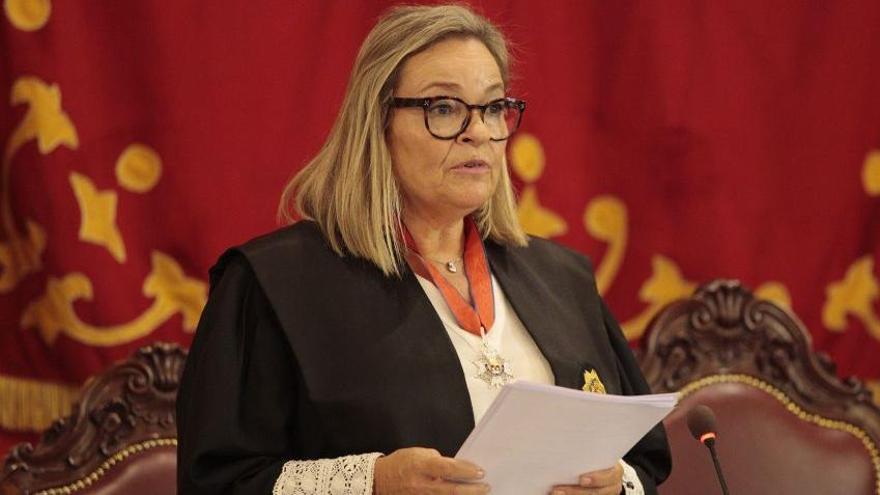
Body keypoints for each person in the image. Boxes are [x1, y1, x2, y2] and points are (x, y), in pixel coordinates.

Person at [176, 4, 670, 495]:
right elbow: (219, 482)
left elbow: (644, 457)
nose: (478, 131)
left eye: (495, 107)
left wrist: (616, 485)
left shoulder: (562, 277)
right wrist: (372, 484)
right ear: (378, 124)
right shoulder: (275, 284)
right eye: (445, 108)